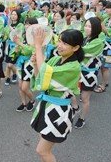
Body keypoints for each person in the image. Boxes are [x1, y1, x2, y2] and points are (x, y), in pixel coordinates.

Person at [30, 29, 84, 162]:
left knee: (42, 151)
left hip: (58, 112)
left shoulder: (73, 67)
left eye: (65, 43)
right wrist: (36, 64)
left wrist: (38, 47)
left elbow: (46, 73)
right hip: (47, 107)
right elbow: (41, 79)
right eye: (59, 41)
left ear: (76, 47)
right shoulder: (56, 59)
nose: (59, 45)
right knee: (44, 150)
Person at [74, 17, 105, 129]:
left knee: (85, 98)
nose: (86, 28)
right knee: (72, 93)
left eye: (89, 27)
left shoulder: (98, 42)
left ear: (96, 28)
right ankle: (75, 108)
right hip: (78, 71)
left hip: (89, 74)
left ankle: (82, 118)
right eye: (86, 25)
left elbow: (82, 51)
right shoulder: (86, 38)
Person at [94, 2, 111, 93]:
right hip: (103, 44)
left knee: (106, 66)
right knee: (102, 65)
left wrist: (101, 23)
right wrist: (97, 7)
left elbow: (109, 33)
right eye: (106, 8)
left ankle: (103, 86)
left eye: (109, 8)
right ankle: (105, 82)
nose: (106, 10)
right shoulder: (107, 17)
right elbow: (99, 17)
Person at [13, 18, 36, 112]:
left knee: (24, 87)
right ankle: (24, 103)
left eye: (29, 24)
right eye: (26, 24)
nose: (27, 26)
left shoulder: (35, 38)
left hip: (29, 63)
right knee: (20, 86)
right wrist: (16, 50)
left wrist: (20, 44)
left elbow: (31, 51)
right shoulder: (23, 36)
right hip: (20, 62)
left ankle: (32, 100)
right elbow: (20, 49)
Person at [4, 9, 23, 86]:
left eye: (15, 14)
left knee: (10, 65)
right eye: (12, 14)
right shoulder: (8, 25)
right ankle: (8, 78)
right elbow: (6, 34)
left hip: (16, 46)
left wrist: (9, 26)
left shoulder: (20, 25)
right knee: (7, 64)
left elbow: (16, 34)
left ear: (18, 16)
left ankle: (15, 73)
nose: (13, 16)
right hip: (8, 46)